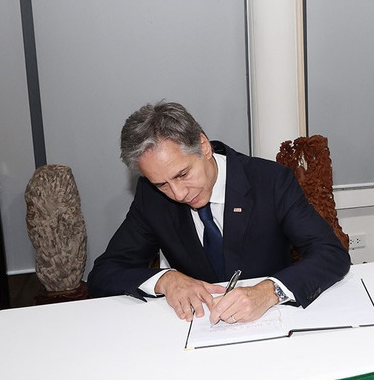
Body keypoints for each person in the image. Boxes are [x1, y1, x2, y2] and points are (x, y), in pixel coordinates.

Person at [88, 102, 350, 323]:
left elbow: (332, 253)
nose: (178, 194)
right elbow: (104, 273)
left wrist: (270, 291)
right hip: (198, 330)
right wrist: (165, 280)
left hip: (273, 323)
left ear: (203, 146)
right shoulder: (151, 197)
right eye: (162, 184)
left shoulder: (269, 181)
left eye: (182, 174)